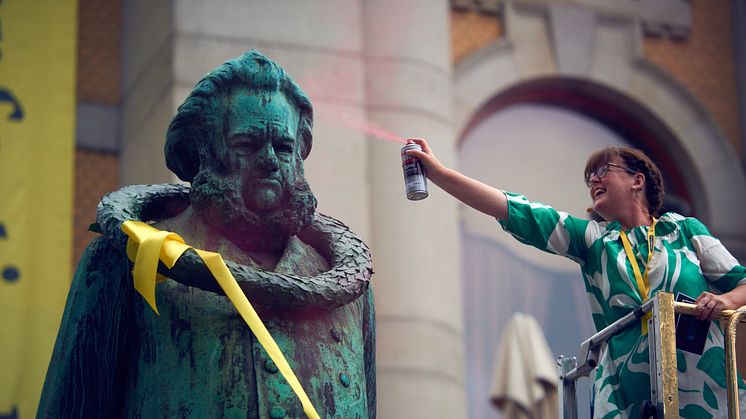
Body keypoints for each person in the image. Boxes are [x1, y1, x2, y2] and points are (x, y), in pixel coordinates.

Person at [38, 51, 376, 419]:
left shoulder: (347, 290)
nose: (268, 160)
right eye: (246, 145)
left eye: (282, 146)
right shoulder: (127, 260)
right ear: (204, 151)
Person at [406, 138, 746, 418]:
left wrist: (724, 301)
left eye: (601, 171)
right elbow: (518, 211)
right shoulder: (595, 240)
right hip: (627, 390)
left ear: (637, 180)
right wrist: (437, 173)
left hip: (703, 381)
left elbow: (741, 283)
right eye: (588, 179)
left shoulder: (684, 231)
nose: (593, 181)